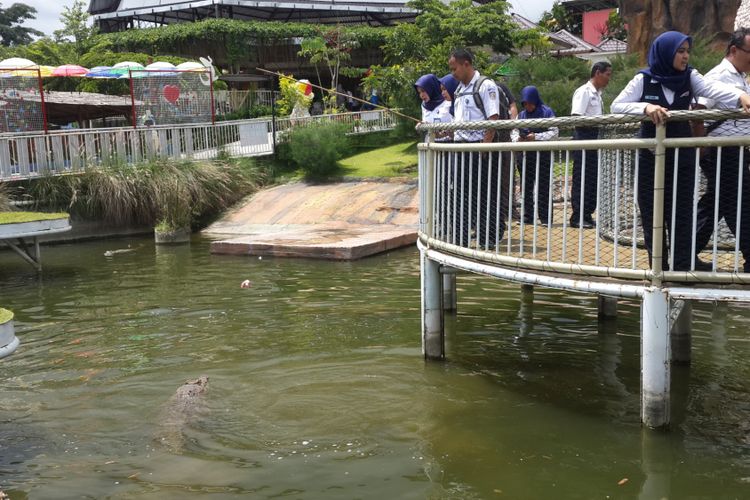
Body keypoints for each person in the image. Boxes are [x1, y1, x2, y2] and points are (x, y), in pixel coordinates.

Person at [611, 30, 750, 271]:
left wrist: (740, 96)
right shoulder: (643, 79)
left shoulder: (690, 76)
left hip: (681, 158)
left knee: (681, 212)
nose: (685, 56)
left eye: (687, 51)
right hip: (650, 157)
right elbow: (617, 105)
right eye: (680, 51)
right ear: (665, 52)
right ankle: (659, 268)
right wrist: (646, 108)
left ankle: (682, 267)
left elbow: (711, 90)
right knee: (652, 213)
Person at [693, 28, 750, 272]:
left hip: (734, 151)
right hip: (720, 151)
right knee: (737, 201)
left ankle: (683, 251)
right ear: (734, 50)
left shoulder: (739, 77)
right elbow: (698, 108)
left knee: (719, 202)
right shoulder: (719, 76)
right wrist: (700, 145)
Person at [449, 48, 503, 249]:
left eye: (455, 68)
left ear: (466, 64)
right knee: (460, 196)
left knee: (482, 195)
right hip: (460, 148)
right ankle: (461, 241)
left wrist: (484, 148)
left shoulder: (485, 85)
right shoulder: (459, 90)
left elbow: (493, 119)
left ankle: (486, 240)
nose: (453, 73)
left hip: (478, 150)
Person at [570, 61, 612, 228]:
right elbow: (576, 118)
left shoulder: (598, 94)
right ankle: (577, 216)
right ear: (597, 73)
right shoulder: (584, 92)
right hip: (584, 136)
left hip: (595, 137)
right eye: (607, 74)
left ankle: (587, 214)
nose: (609, 79)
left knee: (592, 179)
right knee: (582, 178)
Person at [516, 86, 559, 226]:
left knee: (543, 186)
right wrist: (519, 139)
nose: (528, 106)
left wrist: (536, 137)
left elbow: (554, 132)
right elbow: (514, 131)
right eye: (525, 103)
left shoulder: (547, 112)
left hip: (543, 155)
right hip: (526, 156)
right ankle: (528, 216)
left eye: (530, 103)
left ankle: (545, 218)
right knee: (526, 186)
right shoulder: (521, 115)